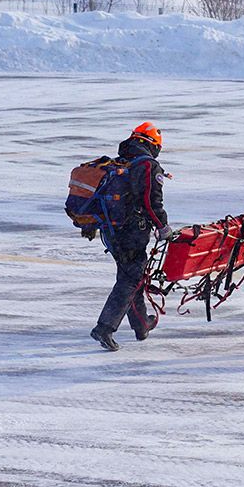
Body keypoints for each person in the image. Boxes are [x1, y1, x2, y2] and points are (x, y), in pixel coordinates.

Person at [89, 122, 170, 351]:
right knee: (130, 279)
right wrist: (163, 227)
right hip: (131, 232)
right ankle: (105, 327)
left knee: (133, 275)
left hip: (111, 231)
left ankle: (141, 324)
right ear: (152, 144)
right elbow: (151, 201)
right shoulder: (146, 165)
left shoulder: (119, 162)